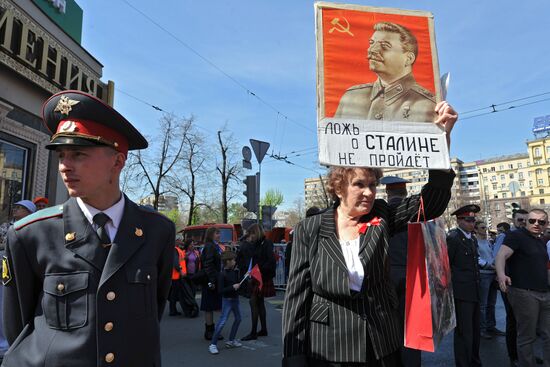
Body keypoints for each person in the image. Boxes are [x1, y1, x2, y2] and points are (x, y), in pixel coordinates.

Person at [1, 90, 175, 366]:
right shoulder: (31, 234)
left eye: (79, 154)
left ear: (117, 162)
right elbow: (19, 329)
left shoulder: (157, 231)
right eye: (61, 155)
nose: (64, 167)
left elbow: (153, 313)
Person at [283, 101, 457, 366]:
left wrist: (441, 139)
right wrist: (293, 356)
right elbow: (297, 296)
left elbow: (429, 204)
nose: (369, 192)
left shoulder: (382, 215)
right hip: (329, 349)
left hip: (381, 344)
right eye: (359, 184)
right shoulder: (311, 228)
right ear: (338, 187)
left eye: (373, 185)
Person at [334, 22, 435, 122]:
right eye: (371, 43)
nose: (372, 49)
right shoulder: (351, 97)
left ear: (408, 58)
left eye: (385, 46)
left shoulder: (429, 105)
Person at [496, 209, 550, 367]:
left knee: (548, 335)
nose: (536, 224)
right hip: (524, 293)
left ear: (546, 224)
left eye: (541, 222)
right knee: (527, 336)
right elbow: (501, 256)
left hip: (545, 293)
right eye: (532, 220)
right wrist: (501, 275)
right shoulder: (516, 236)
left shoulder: (540, 241)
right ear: (526, 221)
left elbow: (544, 268)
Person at [380, 175, 422, 367]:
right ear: (405, 192)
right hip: (412, 274)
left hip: (385, 275)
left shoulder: (381, 213)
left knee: (387, 327)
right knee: (411, 329)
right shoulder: (417, 212)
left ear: (387, 192)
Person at [447, 205, 482, 367]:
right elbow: (446, 266)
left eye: (473, 220)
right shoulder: (453, 238)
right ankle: (463, 363)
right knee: (464, 332)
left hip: (474, 290)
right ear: (459, 220)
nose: (472, 223)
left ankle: (474, 360)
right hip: (461, 292)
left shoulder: (471, 238)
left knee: (475, 330)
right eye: (468, 220)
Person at [240, 224, 276, 341]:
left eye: (252, 234)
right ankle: (263, 329)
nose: (251, 236)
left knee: (253, 302)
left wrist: (259, 271)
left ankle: (254, 332)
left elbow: (270, 261)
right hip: (257, 276)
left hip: (263, 276)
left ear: (257, 232)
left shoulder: (267, 243)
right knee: (259, 303)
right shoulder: (255, 244)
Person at [474, 220, 504, 339]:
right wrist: (489, 265)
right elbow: (477, 258)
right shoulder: (475, 242)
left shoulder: (487, 241)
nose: (485, 230)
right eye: (482, 228)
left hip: (492, 274)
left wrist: (496, 268)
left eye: (485, 227)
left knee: (491, 303)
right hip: (483, 274)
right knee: (483, 304)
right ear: (476, 229)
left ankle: (491, 326)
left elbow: (492, 255)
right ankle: (482, 329)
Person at [208, 250, 242, 354]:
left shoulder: (235, 271)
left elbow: (237, 284)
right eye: (233, 260)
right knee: (222, 322)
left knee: (238, 319)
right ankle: (213, 344)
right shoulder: (222, 274)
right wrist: (233, 287)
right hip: (227, 300)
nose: (235, 261)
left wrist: (244, 280)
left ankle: (231, 340)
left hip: (235, 299)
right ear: (227, 261)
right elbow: (220, 290)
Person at [201, 227, 225, 340]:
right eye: (217, 233)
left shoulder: (213, 245)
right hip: (210, 281)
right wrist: (211, 281)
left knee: (210, 306)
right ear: (211, 234)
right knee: (209, 307)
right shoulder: (210, 246)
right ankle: (209, 332)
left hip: (212, 279)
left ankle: (211, 331)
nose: (219, 235)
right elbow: (208, 265)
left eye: (219, 233)